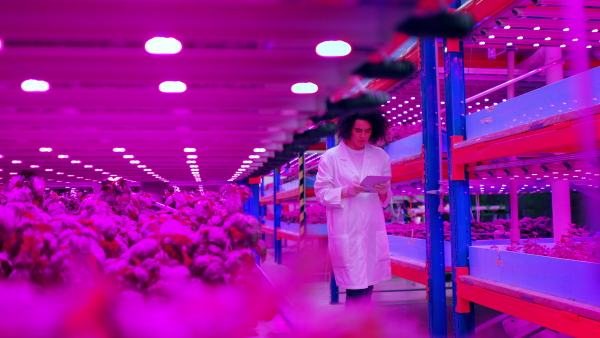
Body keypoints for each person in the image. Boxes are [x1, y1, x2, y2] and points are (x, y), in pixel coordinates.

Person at [314, 112, 392, 307]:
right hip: (346, 227)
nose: (362, 136)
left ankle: (362, 328)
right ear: (348, 129)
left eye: (367, 131)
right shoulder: (331, 157)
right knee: (355, 288)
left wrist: (384, 190)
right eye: (358, 130)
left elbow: (385, 198)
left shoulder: (380, 155)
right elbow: (321, 193)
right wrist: (344, 191)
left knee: (368, 287)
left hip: (372, 227)